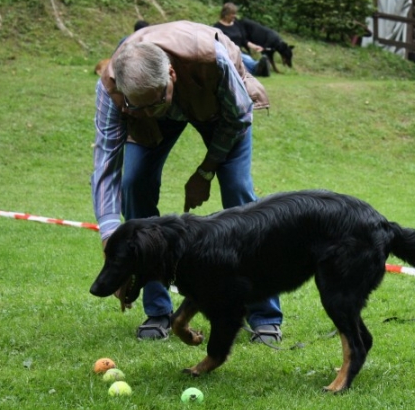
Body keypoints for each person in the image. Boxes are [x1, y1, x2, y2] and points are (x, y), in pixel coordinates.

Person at [91, 21, 283, 342]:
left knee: (238, 191)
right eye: (142, 105)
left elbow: (238, 117)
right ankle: (158, 312)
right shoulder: (112, 87)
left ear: (171, 76)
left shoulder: (212, 61)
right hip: (160, 112)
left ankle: (264, 315)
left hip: (220, 112)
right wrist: (112, 238)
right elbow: (106, 164)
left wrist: (205, 171)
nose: (153, 111)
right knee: (134, 184)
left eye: (157, 100)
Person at [214, 2, 270, 77]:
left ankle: (258, 67)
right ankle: (257, 68)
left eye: (235, 14)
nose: (235, 16)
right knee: (242, 59)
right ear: (226, 14)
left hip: (239, 51)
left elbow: (243, 40)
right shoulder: (217, 27)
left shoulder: (237, 24)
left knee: (246, 58)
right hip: (228, 53)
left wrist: (254, 47)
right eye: (232, 14)